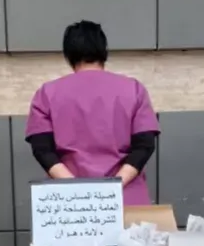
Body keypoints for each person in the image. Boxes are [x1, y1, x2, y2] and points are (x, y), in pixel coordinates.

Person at [24, 20, 160, 205]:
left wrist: (80, 190)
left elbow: (42, 150)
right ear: (104, 51)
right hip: (126, 199)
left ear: (68, 55)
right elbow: (144, 146)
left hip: (69, 202)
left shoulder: (47, 93)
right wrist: (113, 187)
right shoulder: (134, 89)